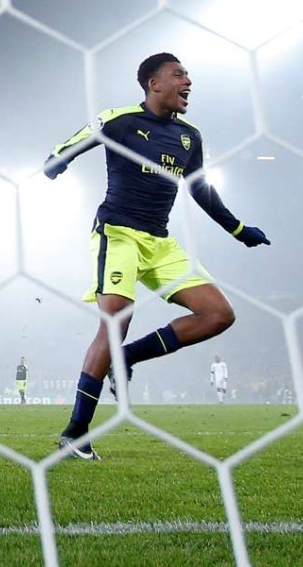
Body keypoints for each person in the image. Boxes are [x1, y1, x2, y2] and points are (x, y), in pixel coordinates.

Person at [44, 53, 270, 460]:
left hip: (160, 243)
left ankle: (127, 358)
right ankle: (76, 431)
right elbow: (75, 141)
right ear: (154, 83)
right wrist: (58, 161)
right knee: (116, 321)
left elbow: (199, 189)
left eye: (187, 75)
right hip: (118, 234)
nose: (188, 82)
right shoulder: (120, 120)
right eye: (179, 74)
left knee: (218, 315)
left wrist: (238, 229)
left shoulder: (189, 137)